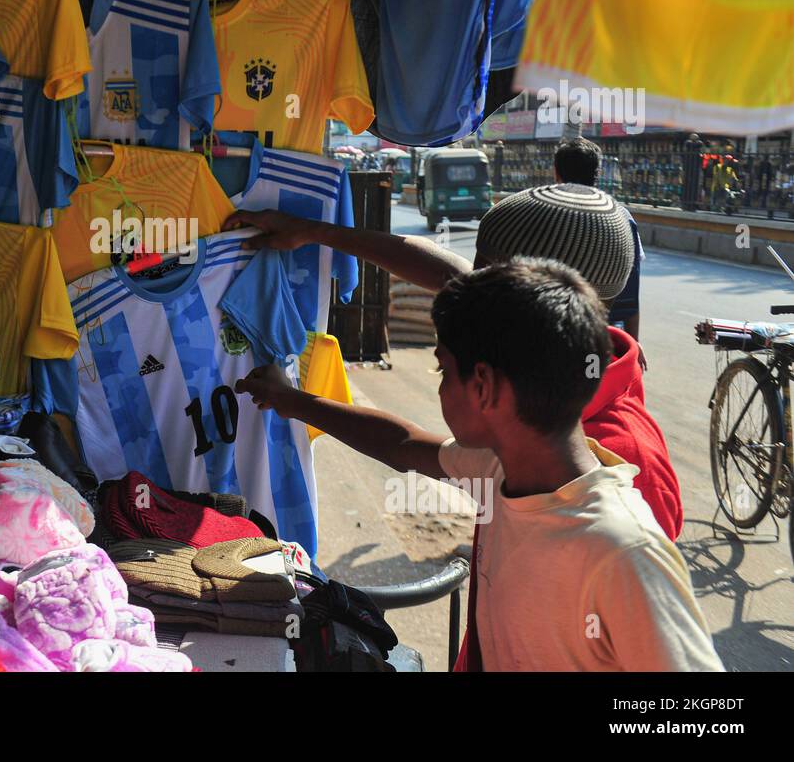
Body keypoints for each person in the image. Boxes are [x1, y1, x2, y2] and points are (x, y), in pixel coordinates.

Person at [236, 259, 722, 671]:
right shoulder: (502, 469)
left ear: (485, 386)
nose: (441, 385)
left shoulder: (620, 550)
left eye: (443, 369)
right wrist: (290, 400)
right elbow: (402, 442)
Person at [224, 183, 683, 541]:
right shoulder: (526, 402)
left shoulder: (622, 470)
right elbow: (404, 446)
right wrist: (314, 232)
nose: (465, 293)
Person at [552, 137, 644, 341]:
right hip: (606, 336)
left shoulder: (545, 215)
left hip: (554, 333)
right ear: (598, 175)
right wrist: (633, 345)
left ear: (556, 173)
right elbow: (630, 293)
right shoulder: (622, 218)